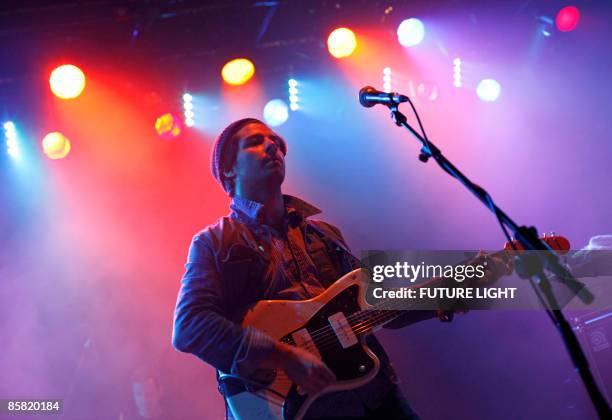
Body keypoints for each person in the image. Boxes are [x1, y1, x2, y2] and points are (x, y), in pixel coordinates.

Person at [171, 118, 506, 418]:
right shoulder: (214, 242)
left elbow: (385, 308)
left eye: (275, 141)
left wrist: (455, 289)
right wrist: (283, 356)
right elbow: (189, 326)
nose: (273, 145)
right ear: (229, 169)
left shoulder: (323, 234)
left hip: (376, 396)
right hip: (299, 409)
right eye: (256, 141)